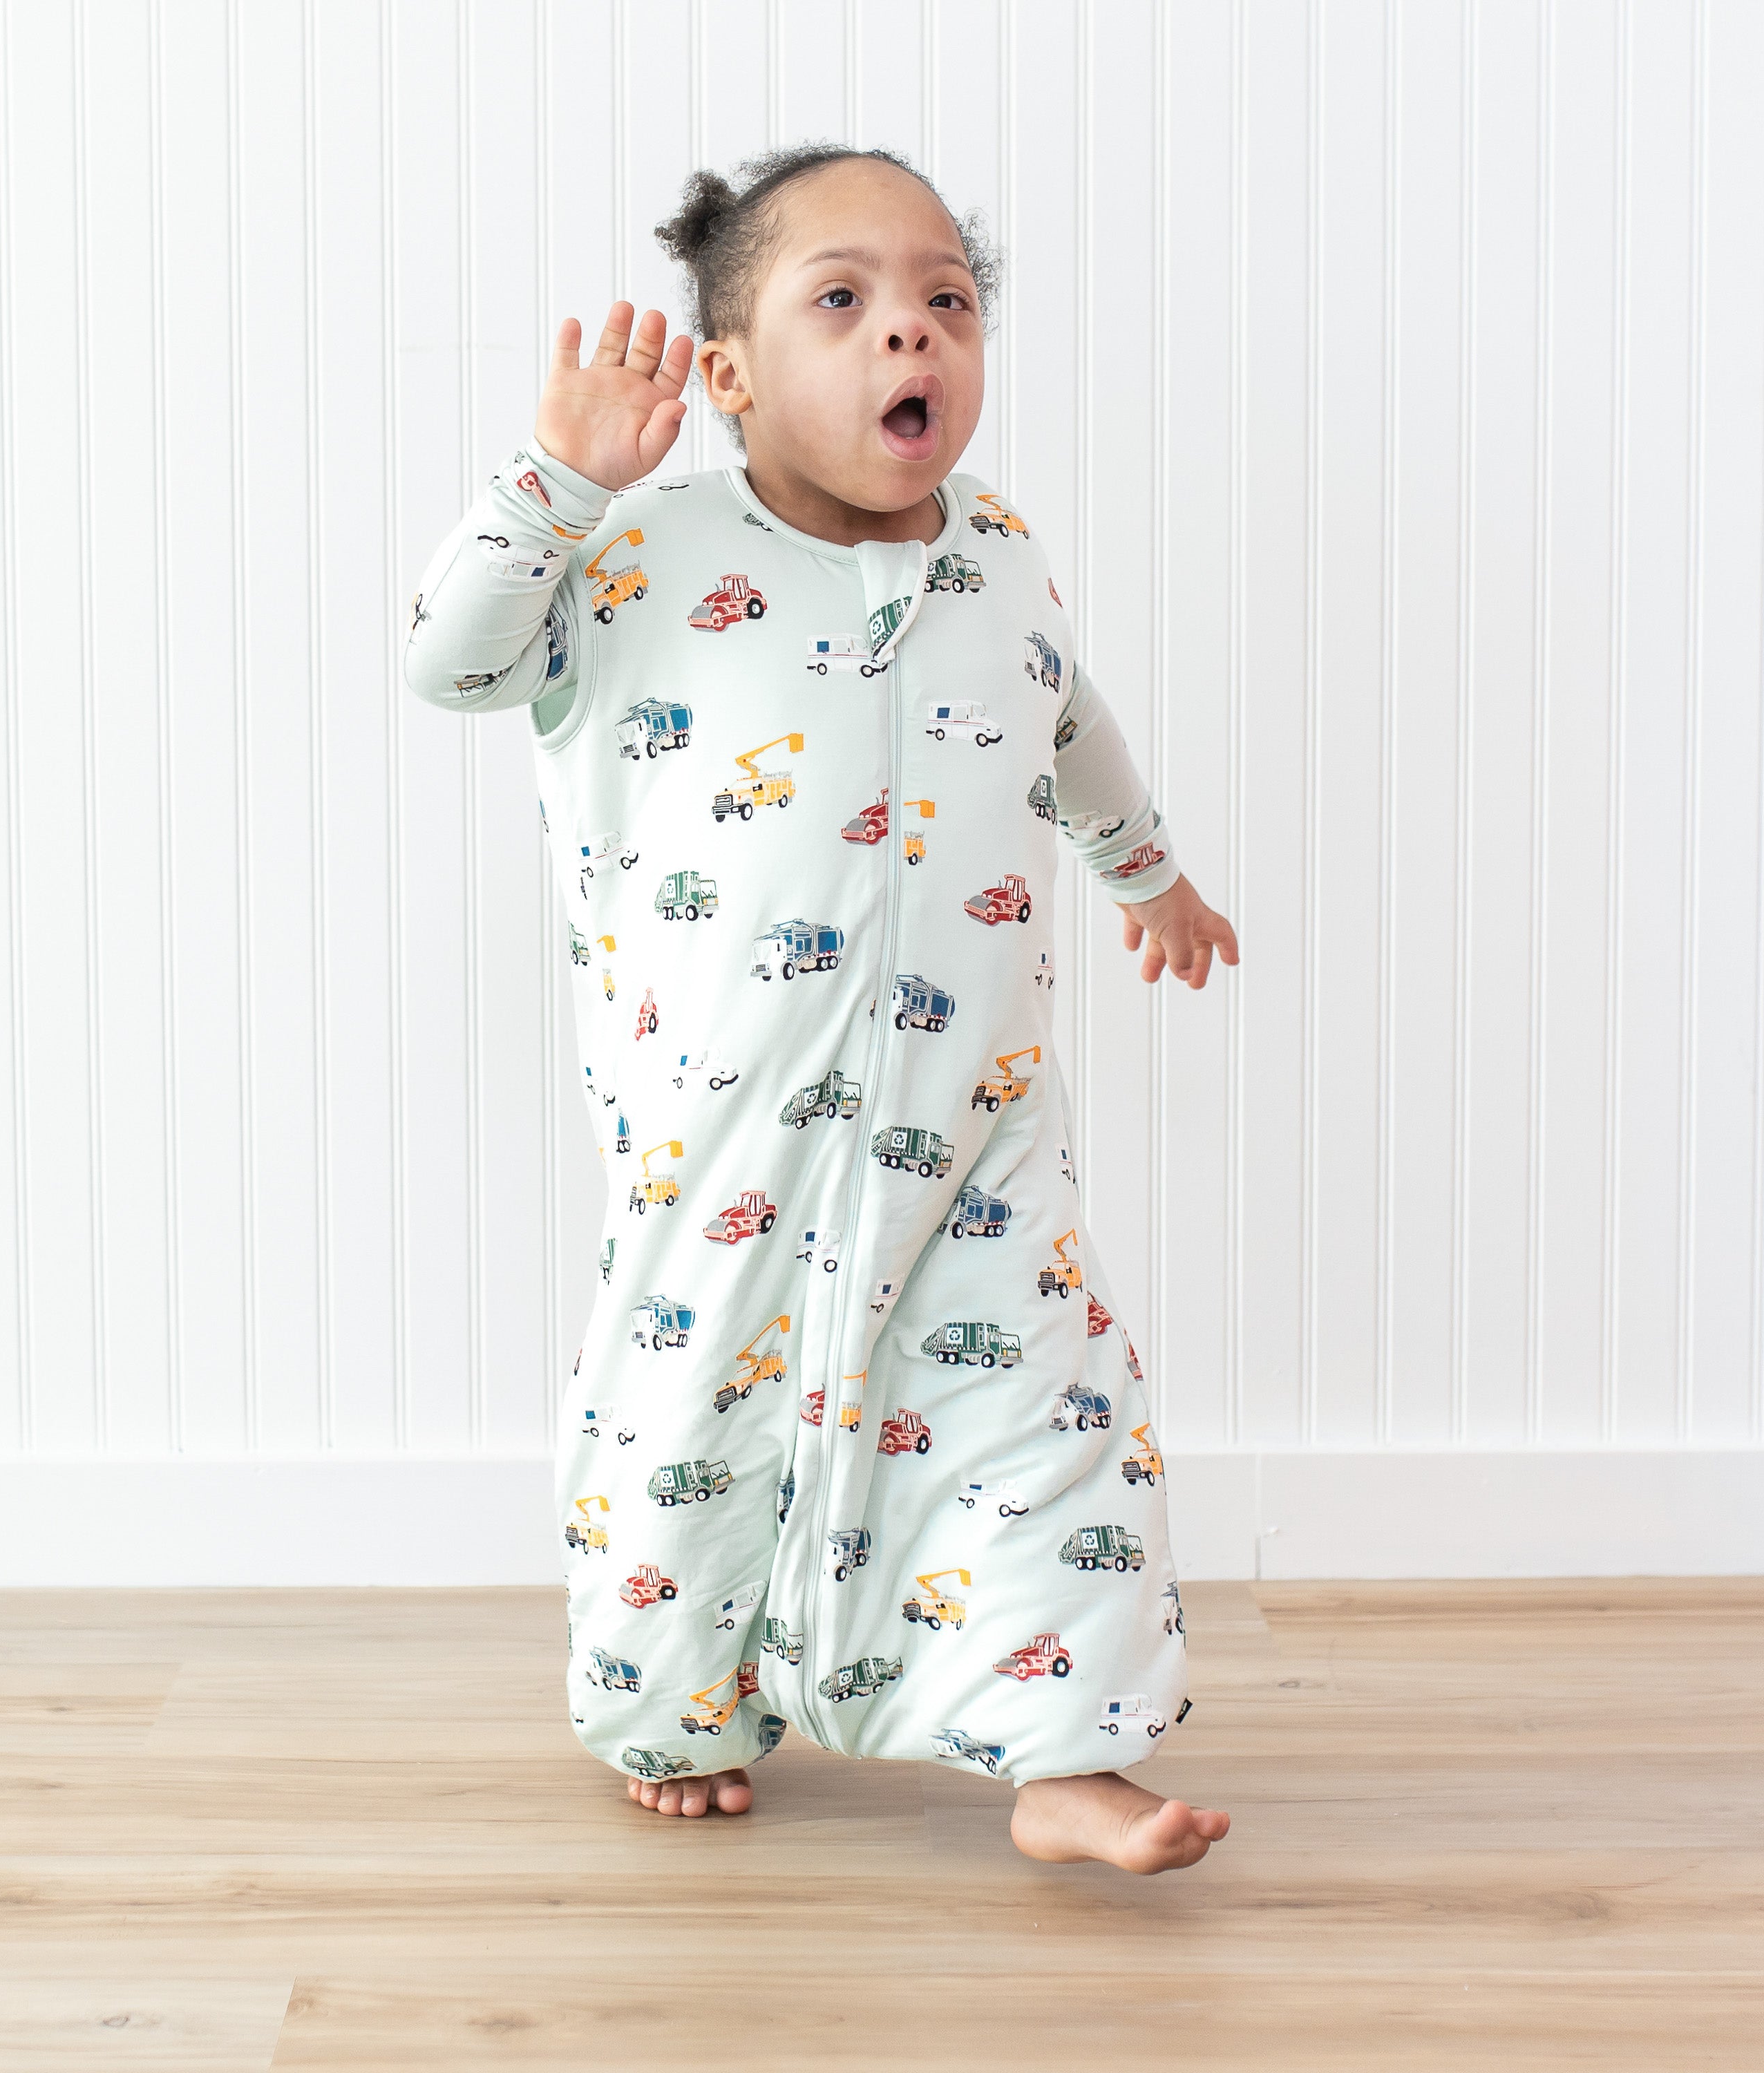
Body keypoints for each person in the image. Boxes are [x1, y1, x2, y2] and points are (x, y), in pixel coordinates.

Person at [402, 144, 1237, 1875]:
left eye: (947, 299)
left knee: (1041, 1406)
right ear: (727, 376)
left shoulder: (1001, 551)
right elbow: (454, 659)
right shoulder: (638, 560)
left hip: (976, 1108)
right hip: (726, 1122)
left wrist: (1148, 873)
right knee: (697, 1404)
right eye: (842, 301)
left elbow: (1064, 718)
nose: (908, 336)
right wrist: (558, 482)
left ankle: (1065, 1753)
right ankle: (675, 1701)